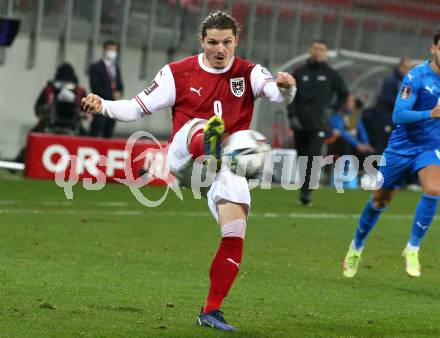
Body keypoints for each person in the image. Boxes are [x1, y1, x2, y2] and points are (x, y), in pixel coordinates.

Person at [81, 11, 296, 331]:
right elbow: (137, 107)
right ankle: (209, 143)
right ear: (202, 42)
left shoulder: (249, 72)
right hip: (185, 157)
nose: (220, 49)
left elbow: (276, 93)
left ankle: (211, 310)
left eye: (226, 42)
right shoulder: (177, 73)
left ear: (236, 40)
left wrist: (287, 88)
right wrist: (104, 105)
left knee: (235, 234)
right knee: (200, 127)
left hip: (227, 166)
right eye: (212, 42)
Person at [342, 31, 440, 279]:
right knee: (380, 201)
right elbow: (398, 115)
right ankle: (356, 247)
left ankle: (413, 248)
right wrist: (429, 114)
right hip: (400, 149)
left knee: (434, 189)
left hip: (429, 149)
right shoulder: (415, 77)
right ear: (433, 48)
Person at [287, 40, 348, 206]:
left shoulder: (331, 74)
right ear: (310, 50)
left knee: (313, 157)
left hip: (319, 124)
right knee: (302, 157)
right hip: (300, 122)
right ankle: (304, 189)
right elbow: (290, 95)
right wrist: (292, 115)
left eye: (322, 49)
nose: (318, 52)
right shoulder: (299, 72)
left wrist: (332, 110)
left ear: (326, 53)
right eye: (315, 48)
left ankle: (307, 193)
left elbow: (344, 94)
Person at [14, 63, 87, 163]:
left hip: (73, 125)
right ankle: (20, 162)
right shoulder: (50, 89)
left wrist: (86, 114)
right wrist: (44, 112)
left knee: (87, 141)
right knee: (33, 138)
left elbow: (87, 110)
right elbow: (38, 107)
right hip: (49, 124)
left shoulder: (79, 91)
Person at [363, 57, 413, 155]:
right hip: (386, 118)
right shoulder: (390, 80)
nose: (408, 70)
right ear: (400, 67)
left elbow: (404, 99)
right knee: (383, 145)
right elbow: (386, 99)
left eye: (410, 68)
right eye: (407, 67)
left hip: (397, 119)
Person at [88, 40, 124, 138]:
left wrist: (119, 93)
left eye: (114, 50)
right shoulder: (95, 67)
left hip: (112, 107)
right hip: (99, 105)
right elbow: (95, 87)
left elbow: (120, 85)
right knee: (96, 132)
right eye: (110, 49)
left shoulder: (116, 68)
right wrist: (111, 94)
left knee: (108, 133)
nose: (112, 52)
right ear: (104, 50)